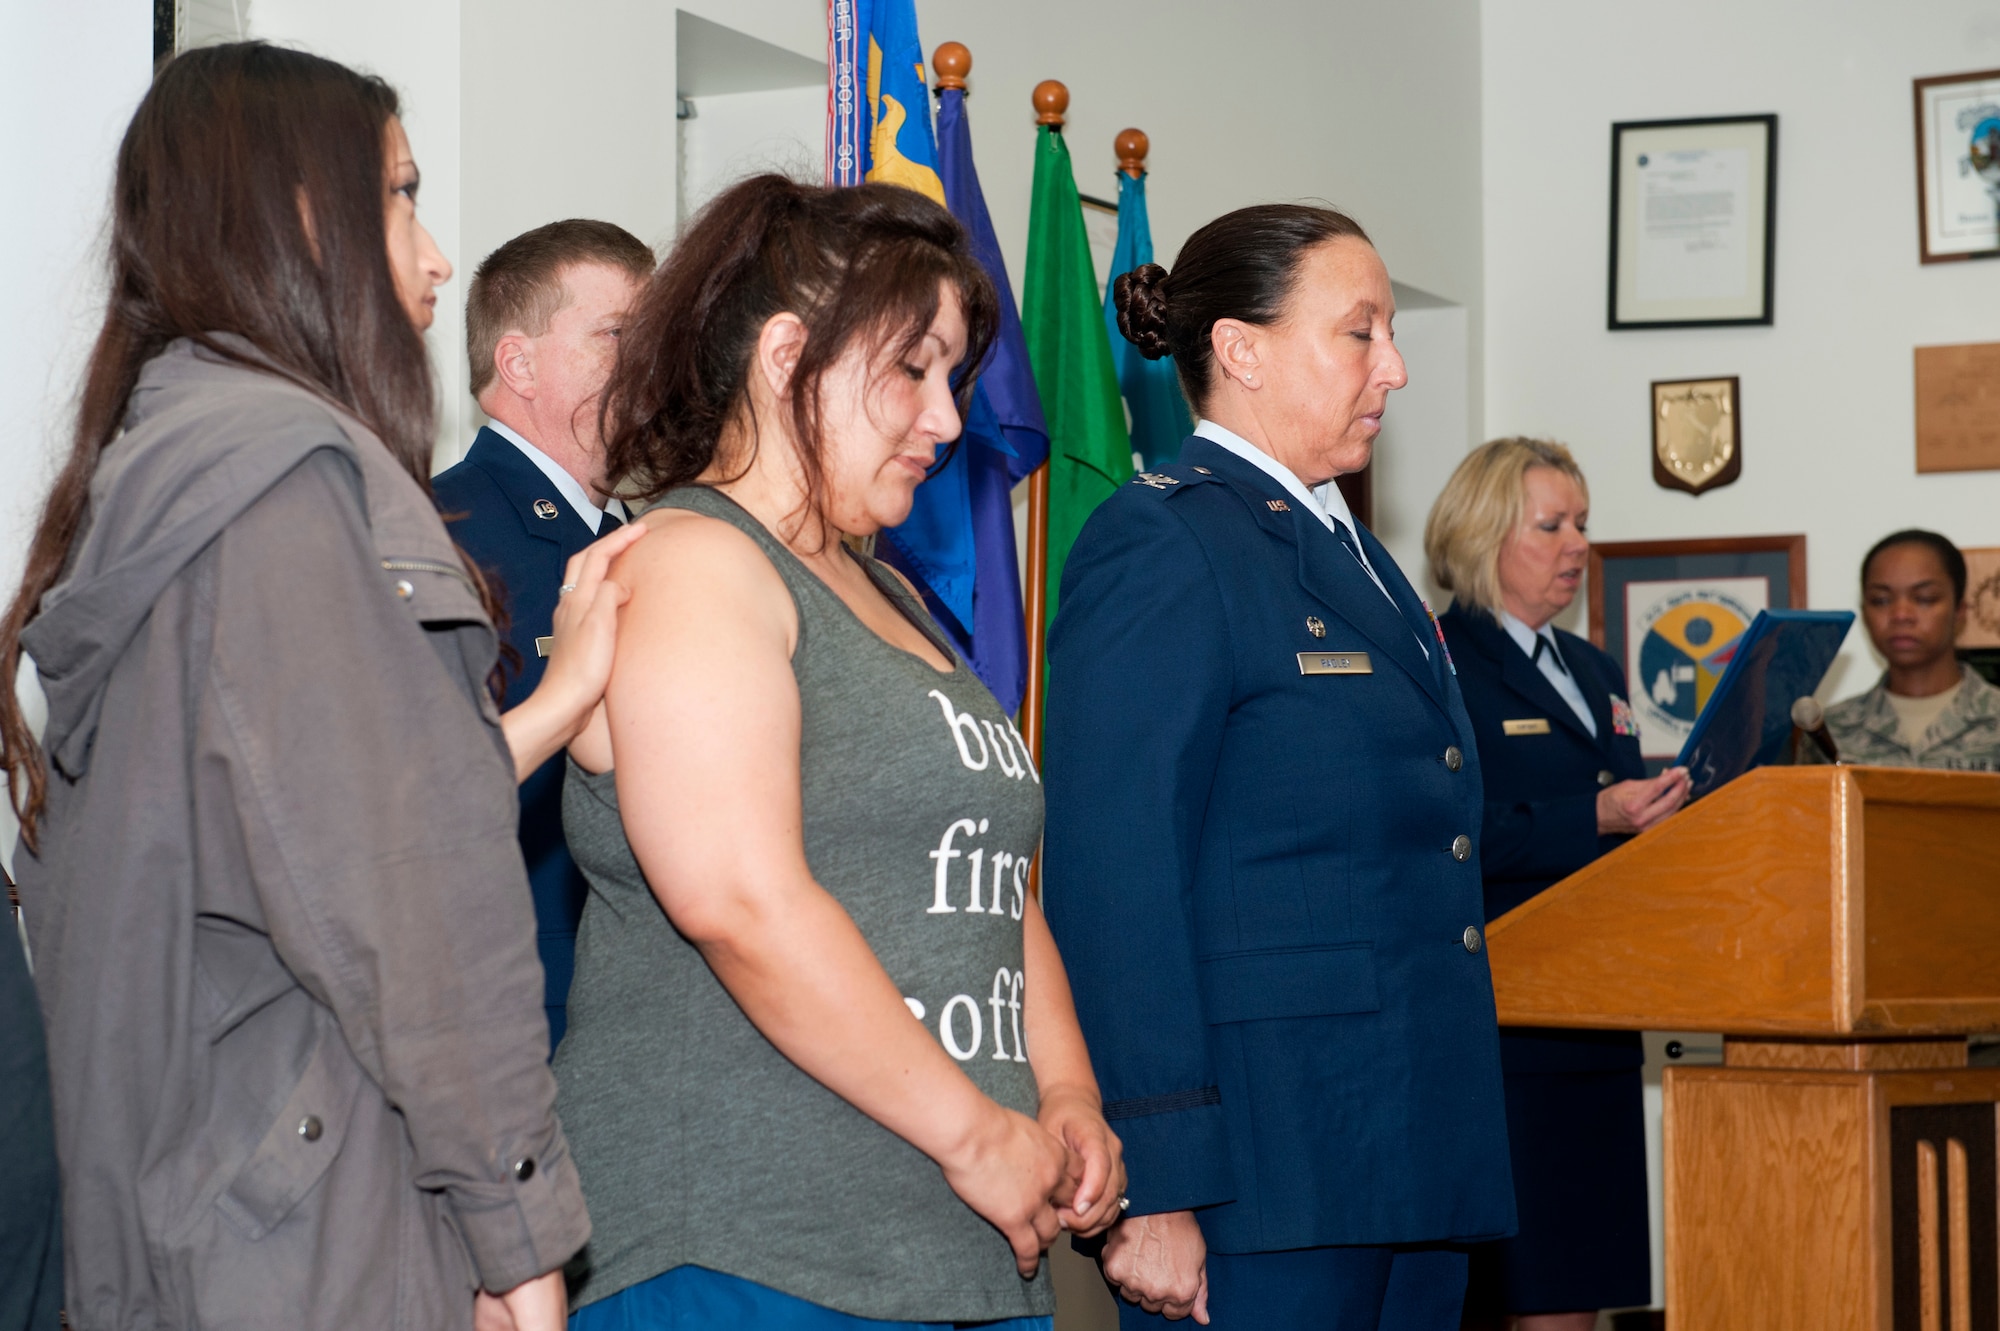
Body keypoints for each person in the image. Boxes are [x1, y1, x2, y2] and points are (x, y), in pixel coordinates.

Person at [0, 43, 635, 1330]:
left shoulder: (161, 465)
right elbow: (415, 905)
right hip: (309, 1241)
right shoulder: (289, 488)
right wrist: (518, 1241)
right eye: (401, 195)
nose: (437, 253)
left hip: (204, 1226)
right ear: (307, 215)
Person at [552, 174, 1126, 1329]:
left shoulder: (891, 593)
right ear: (783, 355)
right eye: (911, 368)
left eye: (952, 376)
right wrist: (972, 1133)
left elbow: (987, 876)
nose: (949, 419)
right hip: (752, 1245)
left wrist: (1062, 1091)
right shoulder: (693, 561)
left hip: (952, 1247)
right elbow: (740, 901)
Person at [1043, 204, 1515, 1330]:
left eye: (1388, 331)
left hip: (1400, 1147)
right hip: (1261, 1172)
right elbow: (1116, 875)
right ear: (1239, 350)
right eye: (1359, 332)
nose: (1392, 368)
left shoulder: (1340, 540)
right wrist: (1151, 1181)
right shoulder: (1165, 538)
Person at [1424, 438, 1689, 1331]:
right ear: (1483, 533)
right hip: (1506, 1034)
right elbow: (1444, 832)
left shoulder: (1594, 670)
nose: (1577, 544)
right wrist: (1599, 816)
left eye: (1583, 523)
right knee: (1530, 1302)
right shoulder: (1437, 663)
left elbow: (1616, 815)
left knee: (1584, 1296)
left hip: (1598, 1024)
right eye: (1552, 525)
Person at [435, 218, 656, 1048]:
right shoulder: (442, 532)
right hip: (526, 1008)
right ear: (519, 364)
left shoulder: (646, 534)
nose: (648, 361)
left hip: (647, 998)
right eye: (615, 336)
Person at [1817, 530, 2000, 770]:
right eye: (1881, 600)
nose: (1901, 615)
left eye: (1925, 598)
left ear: (1960, 611)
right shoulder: (1827, 733)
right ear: (1864, 612)